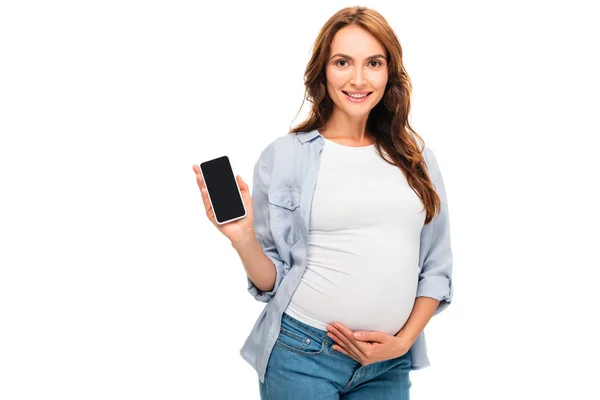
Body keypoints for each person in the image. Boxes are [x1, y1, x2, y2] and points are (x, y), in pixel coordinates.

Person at [192, 6, 453, 399]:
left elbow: (436, 266)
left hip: (388, 363)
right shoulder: (285, 156)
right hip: (302, 355)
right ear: (322, 71)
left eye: (374, 63)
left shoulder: (415, 157)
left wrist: (403, 342)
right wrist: (243, 238)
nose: (358, 79)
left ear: (390, 73)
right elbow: (272, 281)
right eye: (343, 62)